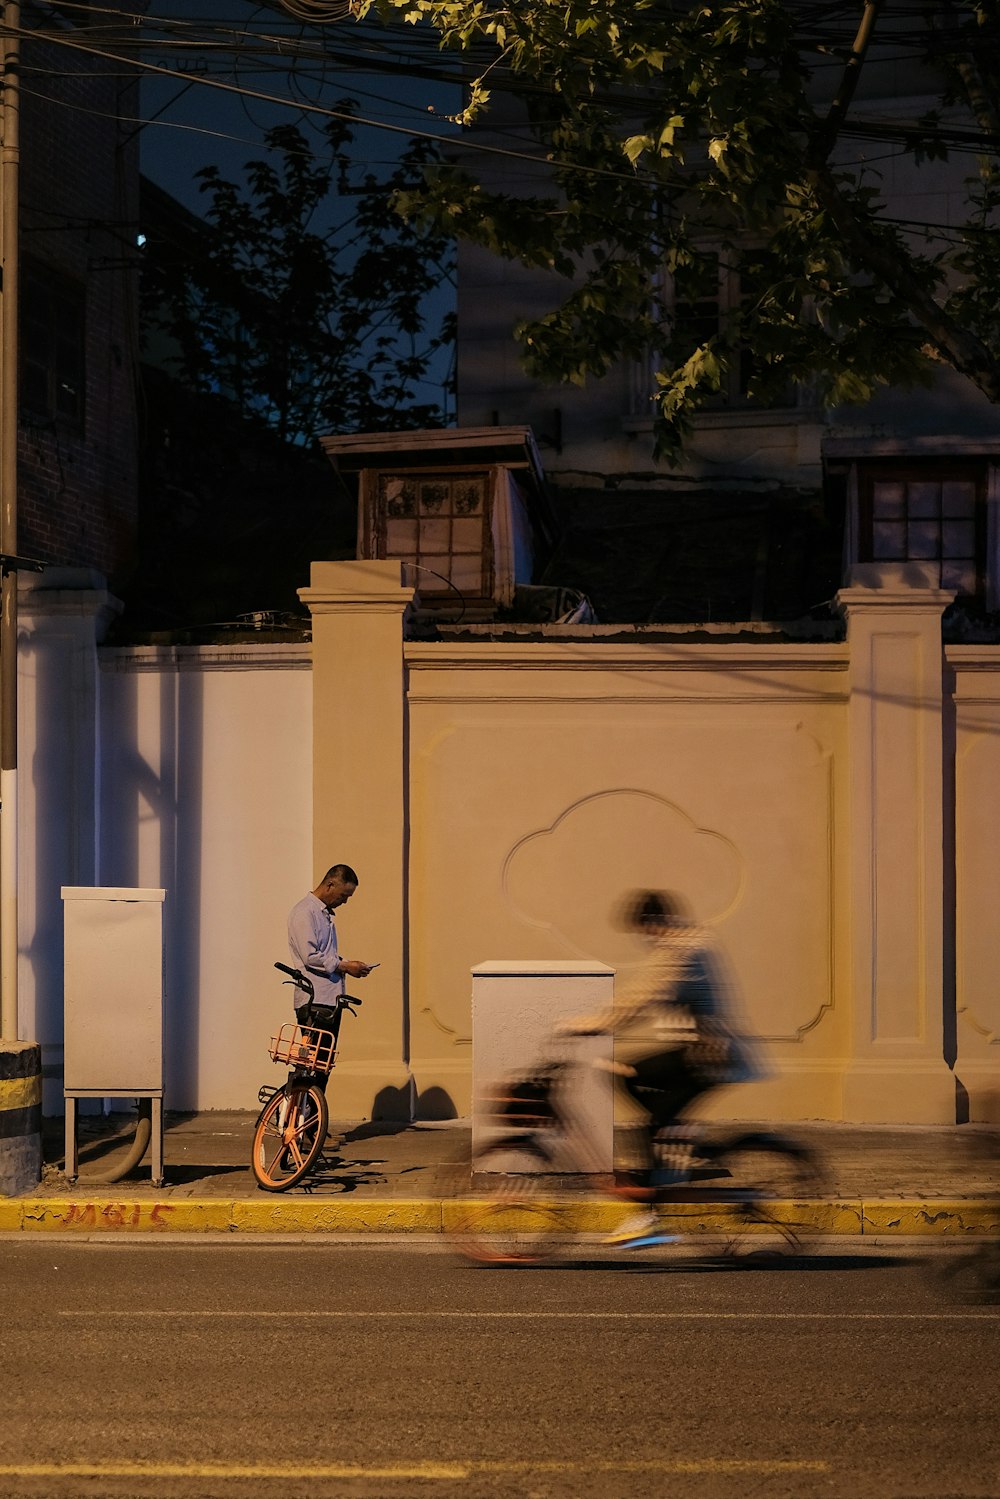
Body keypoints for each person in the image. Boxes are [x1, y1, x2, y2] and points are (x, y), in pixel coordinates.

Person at [562, 889, 753, 1249]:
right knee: (624, 1078)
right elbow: (645, 994)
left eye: (644, 929)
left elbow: (647, 996)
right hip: (695, 1052)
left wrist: (592, 1024)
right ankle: (673, 1139)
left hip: (711, 1057)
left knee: (641, 1103)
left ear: (654, 922)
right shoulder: (681, 945)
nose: (644, 937)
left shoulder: (686, 949)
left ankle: (648, 1215)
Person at [286, 864, 375, 1037]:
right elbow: (310, 957)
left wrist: (348, 965)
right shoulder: (305, 912)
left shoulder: (323, 914)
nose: (345, 901)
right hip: (314, 1000)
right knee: (313, 1060)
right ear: (330, 885)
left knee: (323, 1061)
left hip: (329, 1000)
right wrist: (345, 966)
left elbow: (325, 955)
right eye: (343, 895)